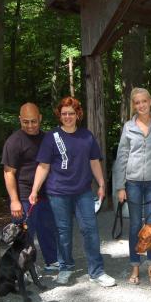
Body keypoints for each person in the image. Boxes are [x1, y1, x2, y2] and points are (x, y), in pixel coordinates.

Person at [29, 97, 115, 287]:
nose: (68, 117)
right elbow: (43, 166)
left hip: (83, 191)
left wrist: (101, 184)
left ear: (78, 115)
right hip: (57, 192)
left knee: (90, 230)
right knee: (63, 232)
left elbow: (94, 161)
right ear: (60, 115)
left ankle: (97, 271)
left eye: (71, 113)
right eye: (64, 113)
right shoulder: (52, 137)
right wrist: (34, 190)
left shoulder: (87, 136)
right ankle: (66, 267)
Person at [113, 87, 151, 284]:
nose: (141, 105)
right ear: (133, 105)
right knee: (136, 226)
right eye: (137, 103)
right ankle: (135, 267)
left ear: (150, 101)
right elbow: (122, 156)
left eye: (143, 101)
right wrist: (120, 186)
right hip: (133, 183)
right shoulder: (129, 127)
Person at [2, 103, 59, 272]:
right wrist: (14, 201)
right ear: (20, 120)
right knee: (24, 235)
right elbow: (8, 173)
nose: (30, 125)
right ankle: (23, 269)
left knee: (48, 230)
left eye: (33, 121)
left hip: (46, 194)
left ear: (40, 118)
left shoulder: (47, 138)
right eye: (25, 122)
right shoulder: (13, 142)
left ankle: (52, 261)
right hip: (24, 196)